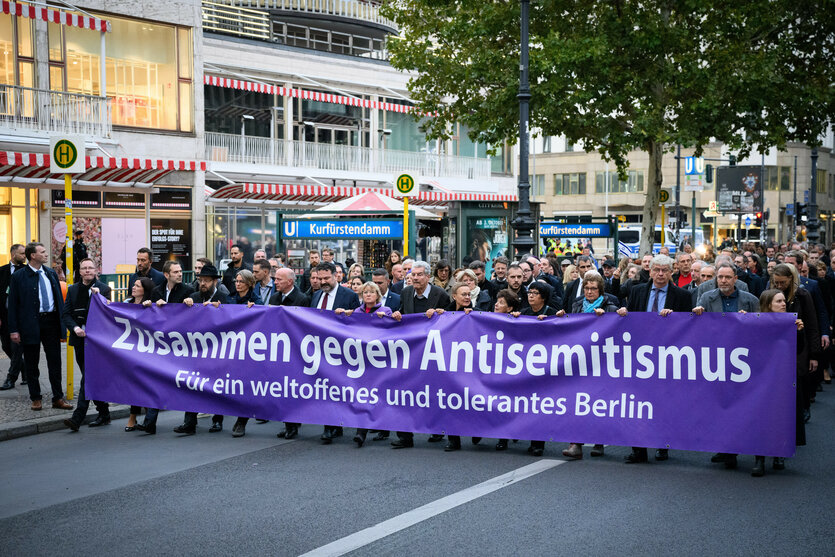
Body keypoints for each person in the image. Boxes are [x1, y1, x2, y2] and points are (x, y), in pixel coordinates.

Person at [617, 254, 693, 463]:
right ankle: (638, 449)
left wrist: (674, 317)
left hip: (667, 357)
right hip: (640, 357)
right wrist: (624, 313)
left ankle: (662, 444)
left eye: (665, 271)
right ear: (649, 271)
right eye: (657, 270)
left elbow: (688, 327)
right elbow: (631, 319)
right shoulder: (637, 291)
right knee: (637, 402)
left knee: (663, 403)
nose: (660, 274)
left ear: (672, 272)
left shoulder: (682, 296)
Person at [692, 263, 760, 469]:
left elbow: (762, 328)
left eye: (727, 277)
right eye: (719, 277)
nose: (723, 281)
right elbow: (698, 329)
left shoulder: (750, 301)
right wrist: (697, 316)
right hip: (718, 361)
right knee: (721, 405)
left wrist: (748, 321)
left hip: (744, 362)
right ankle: (727, 449)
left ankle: (746, 446)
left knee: (744, 406)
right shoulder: (707, 298)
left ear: (736, 279)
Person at [557, 270, 618, 459]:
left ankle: (599, 442)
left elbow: (618, 326)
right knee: (577, 402)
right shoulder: (576, 304)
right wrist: (561, 317)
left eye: (593, 288)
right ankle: (576, 444)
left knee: (599, 402)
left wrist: (610, 315)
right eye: (587, 288)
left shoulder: (610, 305)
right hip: (579, 358)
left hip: (601, 360)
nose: (590, 292)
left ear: (601, 290)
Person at [390, 261, 450, 449]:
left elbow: (451, 320)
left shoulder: (440, 295)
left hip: (433, 353)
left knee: (433, 394)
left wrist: (441, 314)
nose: (414, 278)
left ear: (428, 276)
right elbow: (402, 312)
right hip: (410, 352)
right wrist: (397, 314)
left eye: (418, 274)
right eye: (412, 274)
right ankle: (404, 436)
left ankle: (438, 430)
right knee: (404, 394)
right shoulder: (406, 292)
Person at [7, 243, 72, 412]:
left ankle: (58, 397)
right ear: (32, 255)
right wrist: (13, 329)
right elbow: (12, 305)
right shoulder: (19, 276)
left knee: (55, 362)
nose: (46, 254)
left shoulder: (50, 273)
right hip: (29, 324)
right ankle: (36, 398)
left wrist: (62, 324)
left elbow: (59, 300)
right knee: (31, 363)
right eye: (42, 252)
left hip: (50, 322)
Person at [752, 288, 809, 476]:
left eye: (784, 301)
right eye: (778, 301)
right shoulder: (756, 323)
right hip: (760, 377)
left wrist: (799, 331)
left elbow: (798, 349)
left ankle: (779, 453)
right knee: (760, 417)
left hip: (783, 377)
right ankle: (759, 458)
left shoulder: (791, 322)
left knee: (780, 415)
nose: (783, 304)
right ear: (768, 305)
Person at [334, 282, 398, 447]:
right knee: (362, 396)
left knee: (380, 396)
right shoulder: (356, 312)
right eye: (365, 292)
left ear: (377, 295)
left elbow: (393, 330)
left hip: (380, 360)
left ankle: (385, 427)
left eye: (371, 292)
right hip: (362, 360)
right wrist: (342, 315)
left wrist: (390, 319)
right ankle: (360, 432)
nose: (368, 295)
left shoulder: (386, 311)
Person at [425, 282, 481, 452]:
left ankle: (477, 429)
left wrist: (474, 316)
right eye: (463, 294)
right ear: (454, 296)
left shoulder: (476, 313)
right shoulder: (445, 312)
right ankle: (453, 439)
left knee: (472, 399)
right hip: (449, 363)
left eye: (468, 294)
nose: (466, 297)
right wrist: (432, 314)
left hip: (470, 363)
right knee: (451, 402)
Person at [174, 265, 229, 435]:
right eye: (200, 280)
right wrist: (186, 304)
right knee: (192, 385)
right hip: (197, 349)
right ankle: (189, 422)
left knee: (216, 386)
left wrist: (219, 309)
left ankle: (217, 420)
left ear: (214, 281)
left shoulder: (223, 298)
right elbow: (181, 318)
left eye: (206, 281)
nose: (202, 284)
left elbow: (231, 318)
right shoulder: (194, 297)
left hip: (216, 348)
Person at [310, 262, 360, 444]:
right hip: (319, 349)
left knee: (337, 388)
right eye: (319, 278)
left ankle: (335, 425)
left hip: (341, 350)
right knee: (324, 388)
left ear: (335, 276)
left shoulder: (349, 295)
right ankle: (330, 426)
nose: (322, 282)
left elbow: (357, 321)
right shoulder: (315, 296)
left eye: (326, 278)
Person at [62, 258, 113, 432]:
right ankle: (104, 413)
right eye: (84, 268)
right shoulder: (73, 289)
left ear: (95, 270)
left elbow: (107, 314)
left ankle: (77, 418)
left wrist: (97, 296)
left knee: (88, 377)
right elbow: (66, 314)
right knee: (90, 377)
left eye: (90, 268)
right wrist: (75, 328)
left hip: (96, 342)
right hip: (79, 340)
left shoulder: (104, 289)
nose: (87, 271)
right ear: (80, 271)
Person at [771, 264, 820, 426]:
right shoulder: (771, 294)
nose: (779, 286)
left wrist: (814, 355)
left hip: (800, 344)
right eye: (776, 282)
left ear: (791, 279)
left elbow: (812, 325)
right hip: (778, 346)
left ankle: (804, 409)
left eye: (782, 283)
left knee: (800, 378)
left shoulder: (803, 295)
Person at [269, 268, 311, 439]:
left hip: (296, 349)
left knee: (293, 388)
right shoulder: (274, 298)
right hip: (279, 348)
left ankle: (293, 424)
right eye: (275, 279)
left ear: (290, 282)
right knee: (283, 388)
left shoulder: (302, 299)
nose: (275, 282)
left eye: (279, 279)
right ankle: (288, 423)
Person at [228, 270, 262, 438]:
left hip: (251, 349)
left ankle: (242, 420)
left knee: (247, 385)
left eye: (241, 281)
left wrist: (255, 310)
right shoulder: (230, 298)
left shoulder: (256, 301)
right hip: (233, 348)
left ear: (249, 283)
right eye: (236, 280)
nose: (238, 283)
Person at [122, 277, 157, 432]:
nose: (133, 287)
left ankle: (148, 417)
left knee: (145, 383)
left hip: (146, 351)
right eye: (134, 285)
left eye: (137, 286)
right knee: (133, 384)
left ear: (145, 289)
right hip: (130, 350)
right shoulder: (127, 303)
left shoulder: (150, 305)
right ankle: (133, 416)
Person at [493, 289, 522, 451]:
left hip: (509, 367)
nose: (497, 305)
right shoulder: (486, 319)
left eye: (501, 303)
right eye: (497, 301)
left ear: (510, 308)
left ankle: (504, 436)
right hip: (491, 366)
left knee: (506, 402)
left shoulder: (516, 321)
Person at [0, 244, 27, 390]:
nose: (24, 256)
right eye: (22, 254)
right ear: (13, 253)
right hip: (4, 316)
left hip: (19, 317)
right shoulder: (2, 271)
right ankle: (26, 370)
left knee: (16, 348)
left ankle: (11, 378)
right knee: (5, 346)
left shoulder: (25, 271)